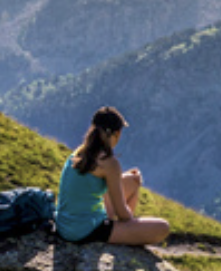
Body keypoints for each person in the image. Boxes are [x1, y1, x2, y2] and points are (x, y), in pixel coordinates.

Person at [56, 105, 171, 247]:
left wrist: (125, 178)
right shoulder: (109, 163)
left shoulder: (80, 152)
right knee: (162, 227)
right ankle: (125, 236)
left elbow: (93, 181)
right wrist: (131, 223)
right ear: (117, 133)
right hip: (83, 231)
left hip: (64, 225)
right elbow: (122, 212)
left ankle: (123, 231)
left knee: (132, 180)